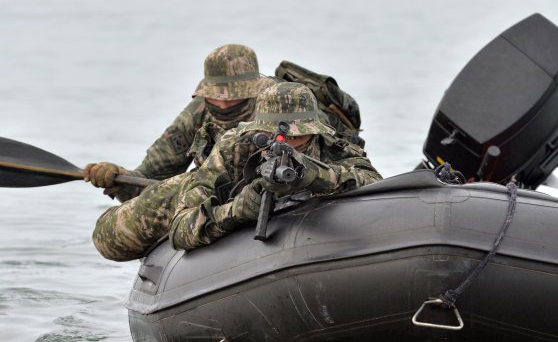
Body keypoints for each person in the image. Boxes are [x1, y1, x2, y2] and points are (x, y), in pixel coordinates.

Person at [91, 82, 381, 261]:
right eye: (276, 139)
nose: (287, 145)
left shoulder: (331, 144)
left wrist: (316, 176)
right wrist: (236, 211)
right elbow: (181, 230)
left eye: (297, 137)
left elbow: (374, 185)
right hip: (209, 193)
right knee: (113, 236)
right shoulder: (233, 148)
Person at [83, 44, 278, 201]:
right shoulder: (197, 113)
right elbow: (153, 178)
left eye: (234, 97)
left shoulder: (281, 105)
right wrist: (119, 178)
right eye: (215, 96)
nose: (223, 104)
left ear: (254, 90)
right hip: (215, 193)